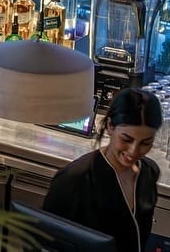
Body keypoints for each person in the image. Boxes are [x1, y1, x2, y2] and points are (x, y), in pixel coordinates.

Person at [42, 87, 162, 252]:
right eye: (126, 139)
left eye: (145, 143)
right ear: (110, 126)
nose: (134, 151)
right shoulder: (75, 179)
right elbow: (43, 243)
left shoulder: (148, 173)